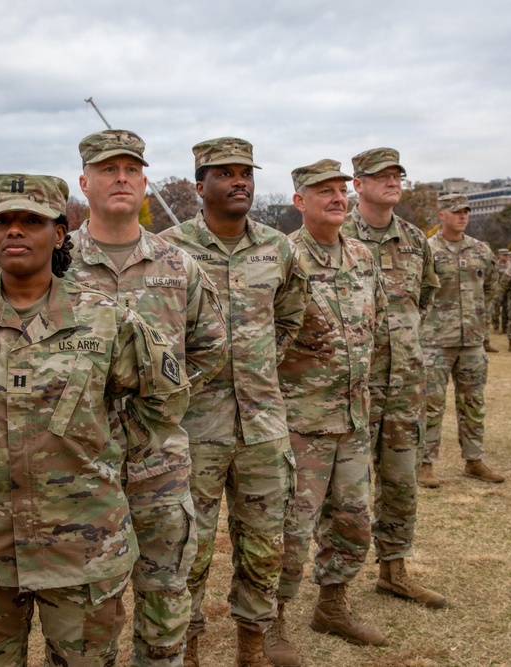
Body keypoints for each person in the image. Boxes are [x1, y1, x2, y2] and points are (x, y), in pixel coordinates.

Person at [0, 173, 192, 667]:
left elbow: (163, 402)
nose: (14, 231)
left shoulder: (107, 319)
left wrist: (103, 446)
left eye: (31, 220)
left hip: (82, 544)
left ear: (60, 233)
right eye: (2, 220)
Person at [67, 129, 227, 665]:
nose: (121, 179)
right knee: (86, 606)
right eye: (108, 169)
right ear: (84, 180)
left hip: (159, 463)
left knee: (165, 596)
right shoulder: (57, 264)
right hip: (75, 466)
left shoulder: (179, 265)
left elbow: (210, 347)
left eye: (131, 169)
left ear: (144, 180)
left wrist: (167, 401)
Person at [159, 137, 308, 667]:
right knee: (188, 546)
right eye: (224, 173)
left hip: (263, 425)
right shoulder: (168, 250)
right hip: (194, 427)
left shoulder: (278, 246)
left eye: (246, 172)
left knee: (265, 543)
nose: (239, 181)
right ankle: (190, 645)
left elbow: (292, 313)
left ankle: (254, 643)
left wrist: (260, 363)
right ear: (200, 187)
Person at [267, 160, 388, 664]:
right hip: (301, 423)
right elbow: (265, 338)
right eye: (324, 191)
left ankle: (333, 607)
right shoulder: (282, 258)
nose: (337, 198)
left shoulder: (361, 255)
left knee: (354, 522)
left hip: (353, 419)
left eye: (341, 190)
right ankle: (268, 623)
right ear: (300, 202)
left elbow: (374, 323)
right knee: (290, 531)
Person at [339, 148, 445, 608]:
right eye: (381, 175)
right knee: (346, 491)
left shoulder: (415, 239)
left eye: (397, 174)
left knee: (401, 481)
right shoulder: (333, 234)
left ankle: (394, 570)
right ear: (357, 184)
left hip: (404, 382)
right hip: (351, 385)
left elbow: (422, 299)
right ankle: (334, 588)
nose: (392, 181)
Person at [420, 194, 504, 486]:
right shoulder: (426, 250)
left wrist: (477, 318)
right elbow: (417, 293)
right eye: (456, 212)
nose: (462, 216)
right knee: (431, 404)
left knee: (473, 402)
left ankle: (474, 460)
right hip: (435, 341)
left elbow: (492, 286)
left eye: (466, 211)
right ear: (441, 214)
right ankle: (425, 463)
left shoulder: (480, 250)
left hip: (472, 341)